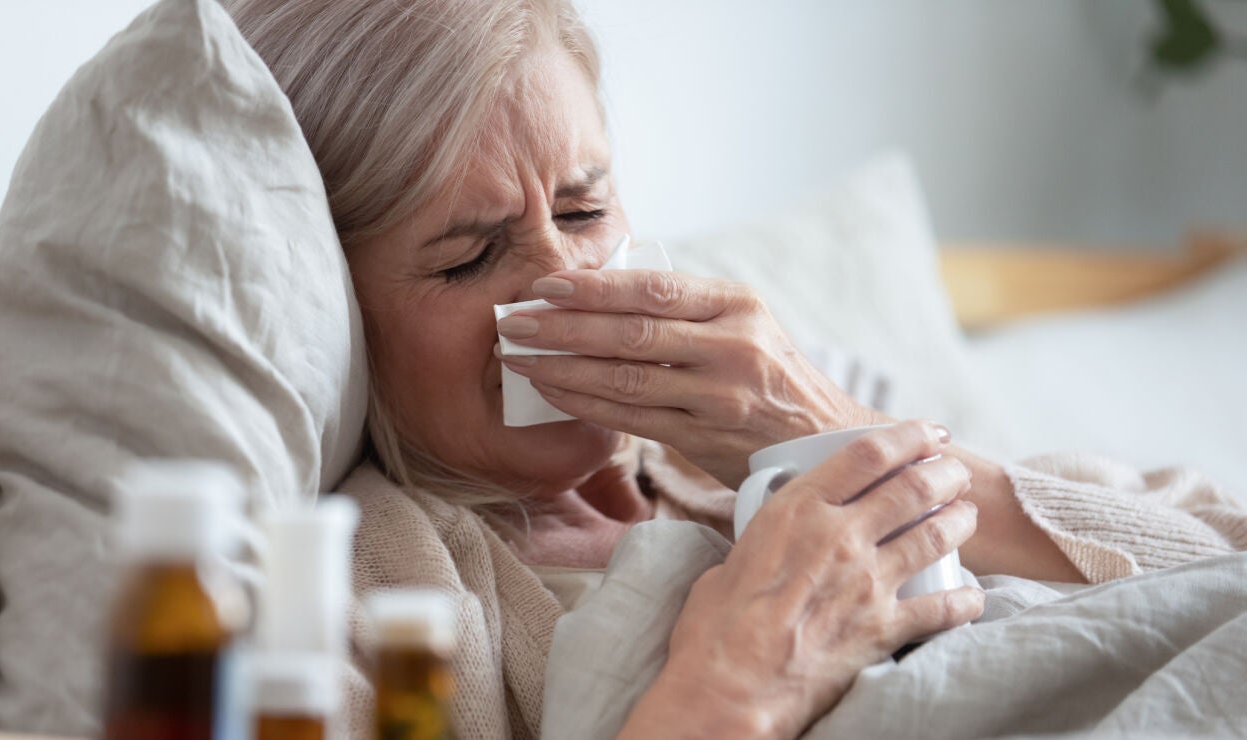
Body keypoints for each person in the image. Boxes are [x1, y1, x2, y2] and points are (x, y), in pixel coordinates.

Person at [227, 0, 1247, 737]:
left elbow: (1216, 559)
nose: (563, 281)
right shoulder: (376, 587)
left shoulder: (806, 388)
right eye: (467, 256)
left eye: (584, 210)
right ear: (339, 307)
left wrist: (832, 429)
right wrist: (738, 683)